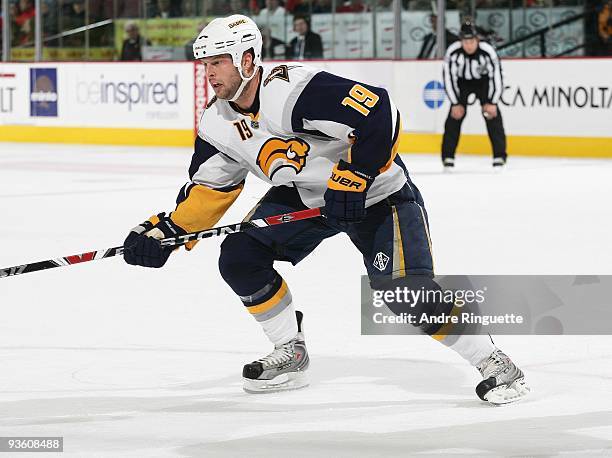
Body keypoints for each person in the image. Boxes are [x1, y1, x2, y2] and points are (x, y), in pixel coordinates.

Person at [123, 14, 529, 404]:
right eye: (205, 64)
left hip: (379, 194)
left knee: (404, 294)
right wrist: (167, 232)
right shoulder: (216, 122)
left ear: (247, 60)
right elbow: (212, 188)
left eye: (218, 63)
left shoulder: (292, 90)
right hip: (309, 197)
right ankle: (290, 351)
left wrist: (354, 176)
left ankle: (495, 362)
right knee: (240, 256)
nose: (209, 73)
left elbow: (379, 111)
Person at [441, 21, 507, 170]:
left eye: (472, 41)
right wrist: (455, 103)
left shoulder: (488, 51)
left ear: (477, 40)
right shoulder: (452, 52)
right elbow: (448, 78)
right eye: (465, 41)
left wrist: (492, 101)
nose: (469, 45)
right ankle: (448, 157)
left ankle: (499, 156)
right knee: (454, 117)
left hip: (483, 83)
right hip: (462, 83)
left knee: (493, 116)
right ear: (461, 41)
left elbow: (497, 76)